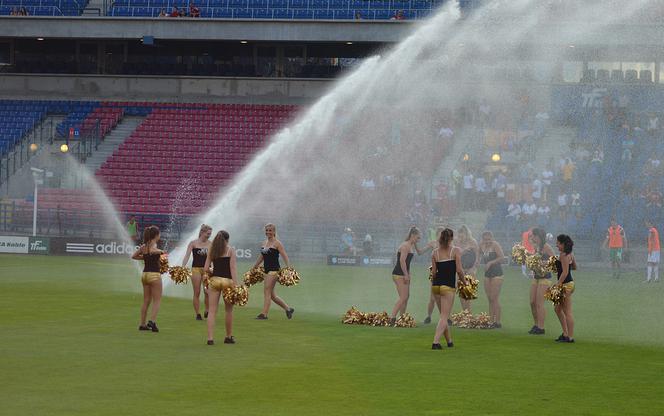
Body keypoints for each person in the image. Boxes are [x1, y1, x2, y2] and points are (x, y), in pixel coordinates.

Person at [431, 228, 467, 350]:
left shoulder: (435, 252)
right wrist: (465, 282)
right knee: (444, 316)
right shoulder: (456, 250)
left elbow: (434, 273)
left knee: (443, 315)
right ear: (451, 238)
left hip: (436, 286)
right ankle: (435, 342)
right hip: (448, 286)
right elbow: (459, 270)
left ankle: (449, 341)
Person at [389, 226, 431, 325]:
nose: (418, 240)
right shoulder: (405, 245)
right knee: (403, 297)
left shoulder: (412, 245)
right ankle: (392, 318)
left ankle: (402, 318)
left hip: (404, 274)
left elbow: (420, 252)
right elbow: (402, 261)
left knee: (406, 297)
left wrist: (429, 246)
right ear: (412, 235)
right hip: (399, 274)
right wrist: (406, 274)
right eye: (418, 238)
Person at [252, 223, 294, 320]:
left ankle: (264, 314)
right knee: (272, 295)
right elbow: (262, 256)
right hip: (266, 270)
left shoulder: (277, 243)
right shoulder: (264, 243)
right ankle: (288, 309)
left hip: (274, 270)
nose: (268, 232)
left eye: (270, 230)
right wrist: (255, 266)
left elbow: (284, 255)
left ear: (274, 231)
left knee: (266, 291)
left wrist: (289, 267)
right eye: (267, 230)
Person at [203, 230, 238, 345]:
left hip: (214, 281)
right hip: (228, 281)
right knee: (228, 311)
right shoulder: (230, 250)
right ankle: (228, 337)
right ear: (227, 240)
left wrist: (213, 270)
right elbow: (232, 268)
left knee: (212, 311)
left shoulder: (212, 250)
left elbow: (206, 268)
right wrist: (236, 284)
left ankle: (210, 338)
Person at [131, 225, 163, 333]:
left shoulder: (144, 246)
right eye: (159, 234)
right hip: (154, 275)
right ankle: (152, 321)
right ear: (156, 235)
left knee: (146, 301)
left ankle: (142, 324)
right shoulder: (153, 245)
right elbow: (153, 250)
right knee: (157, 300)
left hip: (144, 275)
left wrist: (144, 257)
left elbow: (134, 256)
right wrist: (161, 251)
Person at [181, 224, 212, 320]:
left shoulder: (211, 244)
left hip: (207, 270)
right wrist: (183, 267)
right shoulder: (193, 243)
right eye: (208, 233)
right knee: (197, 292)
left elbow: (213, 258)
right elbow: (187, 256)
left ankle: (207, 310)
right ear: (202, 232)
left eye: (210, 234)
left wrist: (214, 268)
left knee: (207, 292)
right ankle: (198, 314)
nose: (209, 235)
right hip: (196, 269)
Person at [529, 227, 555, 335]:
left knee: (539, 303)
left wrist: (543, 264)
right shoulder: (536, 247)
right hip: (536, 277)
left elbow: (554, 261)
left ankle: (541, 327)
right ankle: (536, 324)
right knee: (532, 302)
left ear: (539, 236)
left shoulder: (546, 247)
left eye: (534, 235)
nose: (532, 237)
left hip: (545, 277)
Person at [553, 234, 576, 343]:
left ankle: (570, 337)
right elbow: (575, 267)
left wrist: (558, 284)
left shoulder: (563, 255)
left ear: (562, 244)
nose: (556, 245)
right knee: (557, 309)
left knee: (567, 311)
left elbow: (565, 272)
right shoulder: (570, 254)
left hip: (565, 285)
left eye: (558, 243)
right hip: (569, 283)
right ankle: (565, 333)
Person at [480, 231, 504, 328]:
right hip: (487, 274)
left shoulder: (495, 245)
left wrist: (490, 263)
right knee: (489, 298)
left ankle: (497, 321)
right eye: (485, 239)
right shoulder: (481, 246)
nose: (487, 241)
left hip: (497, 273)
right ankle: (490, 320)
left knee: (494, 298)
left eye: (489, 239)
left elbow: (502, 258)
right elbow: (476, 254)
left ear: (492, 238)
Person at [456, 225, 479, 313]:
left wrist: (474, 268)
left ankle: (468, 314)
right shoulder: (457, 243)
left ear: (466, 234)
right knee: (461, 293)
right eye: (459, 236)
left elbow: (477, 256)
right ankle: (464, 313)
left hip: (470, 269)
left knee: (468, 293)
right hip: (460, 269)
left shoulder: (472, 242)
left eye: (462, 235)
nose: (460, 237)